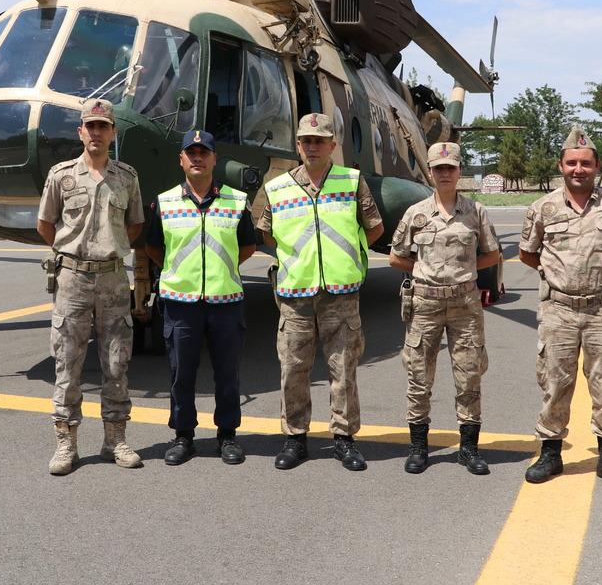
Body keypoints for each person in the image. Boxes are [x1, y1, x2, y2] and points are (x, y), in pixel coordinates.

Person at [517, 126, 602, 490]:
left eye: (586, 163)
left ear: (597, 166)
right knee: (555, 383)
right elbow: (527, 253)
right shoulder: (542, 207)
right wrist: (555, 275)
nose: (579, 169)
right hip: (558, 310)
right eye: (572, 162)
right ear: (561, 165)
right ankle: (550, 452)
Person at [257, 113, 384, 471]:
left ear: (332, 145)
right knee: (293, 369)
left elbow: (373, 228)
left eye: (319, 140)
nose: (312, 146)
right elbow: (266, 233)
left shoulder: (352, 182)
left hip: (341, 293)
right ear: (297, 145)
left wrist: (347, 257)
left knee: (343, 368)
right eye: (305, 141)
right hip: (295, 295)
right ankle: (295, 438)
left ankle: (344, 439)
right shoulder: (276, 188)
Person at [37, 98, 145, 475]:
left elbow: (133, 227)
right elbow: (46, 225)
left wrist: (105, 251)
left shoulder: (127, 178)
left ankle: (115, 439)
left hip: (114, 278)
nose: (96, 132)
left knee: (117, 361)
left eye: (103, 126)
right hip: (72, 279)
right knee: (68, 362)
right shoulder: (61, 176)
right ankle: (66, 444)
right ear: (81, 131)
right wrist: (76, 254)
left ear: (113, 132)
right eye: (90, 126)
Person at [145, 129, 258, 466]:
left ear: (214, 159)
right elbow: (154, 248)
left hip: (225, 302)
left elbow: (248, 246)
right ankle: (183, 436)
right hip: (181, 303)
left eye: (203, 152)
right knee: (181, 373)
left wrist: (220, 271)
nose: (197, 157)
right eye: (190, 152)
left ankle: (227, 435)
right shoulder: (164, 203)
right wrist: (182, 272)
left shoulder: (236, 202)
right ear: (181, 159)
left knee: (227, 373)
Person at [389, 142, 502, 475]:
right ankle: (419, 448)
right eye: (438, 169)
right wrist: (427, 273)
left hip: (465, 303)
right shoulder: (416, 213)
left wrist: (462, 272)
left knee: (469, 375)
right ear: (430, 172)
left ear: (459, 171)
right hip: (425, 303)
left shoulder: (475, 211)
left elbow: (492, 253)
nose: (445, 174)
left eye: (450, 168)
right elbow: (397, 256)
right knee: (419, 377)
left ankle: (468, 449)